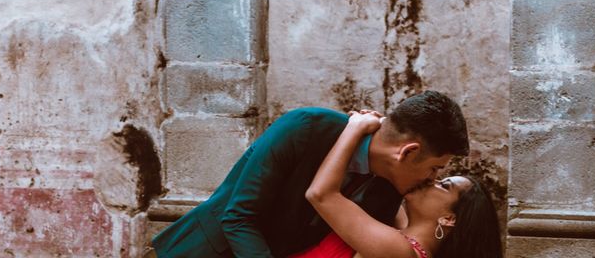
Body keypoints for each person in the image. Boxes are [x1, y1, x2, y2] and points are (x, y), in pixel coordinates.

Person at [149, 91, 469, 257]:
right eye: (434, 168)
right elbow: (238, 217)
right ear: (408, 152)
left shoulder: (389, 191)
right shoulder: (306, 128)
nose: (431, 178)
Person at [296, 111, 502, 258]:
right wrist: (385, 129)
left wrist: (355, 128)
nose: (431, 179)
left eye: (444, 185)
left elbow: (321, 194)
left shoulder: (399, 251)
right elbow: (394, 169)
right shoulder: (405, 236)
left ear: (448, 219)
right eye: (435, 171)